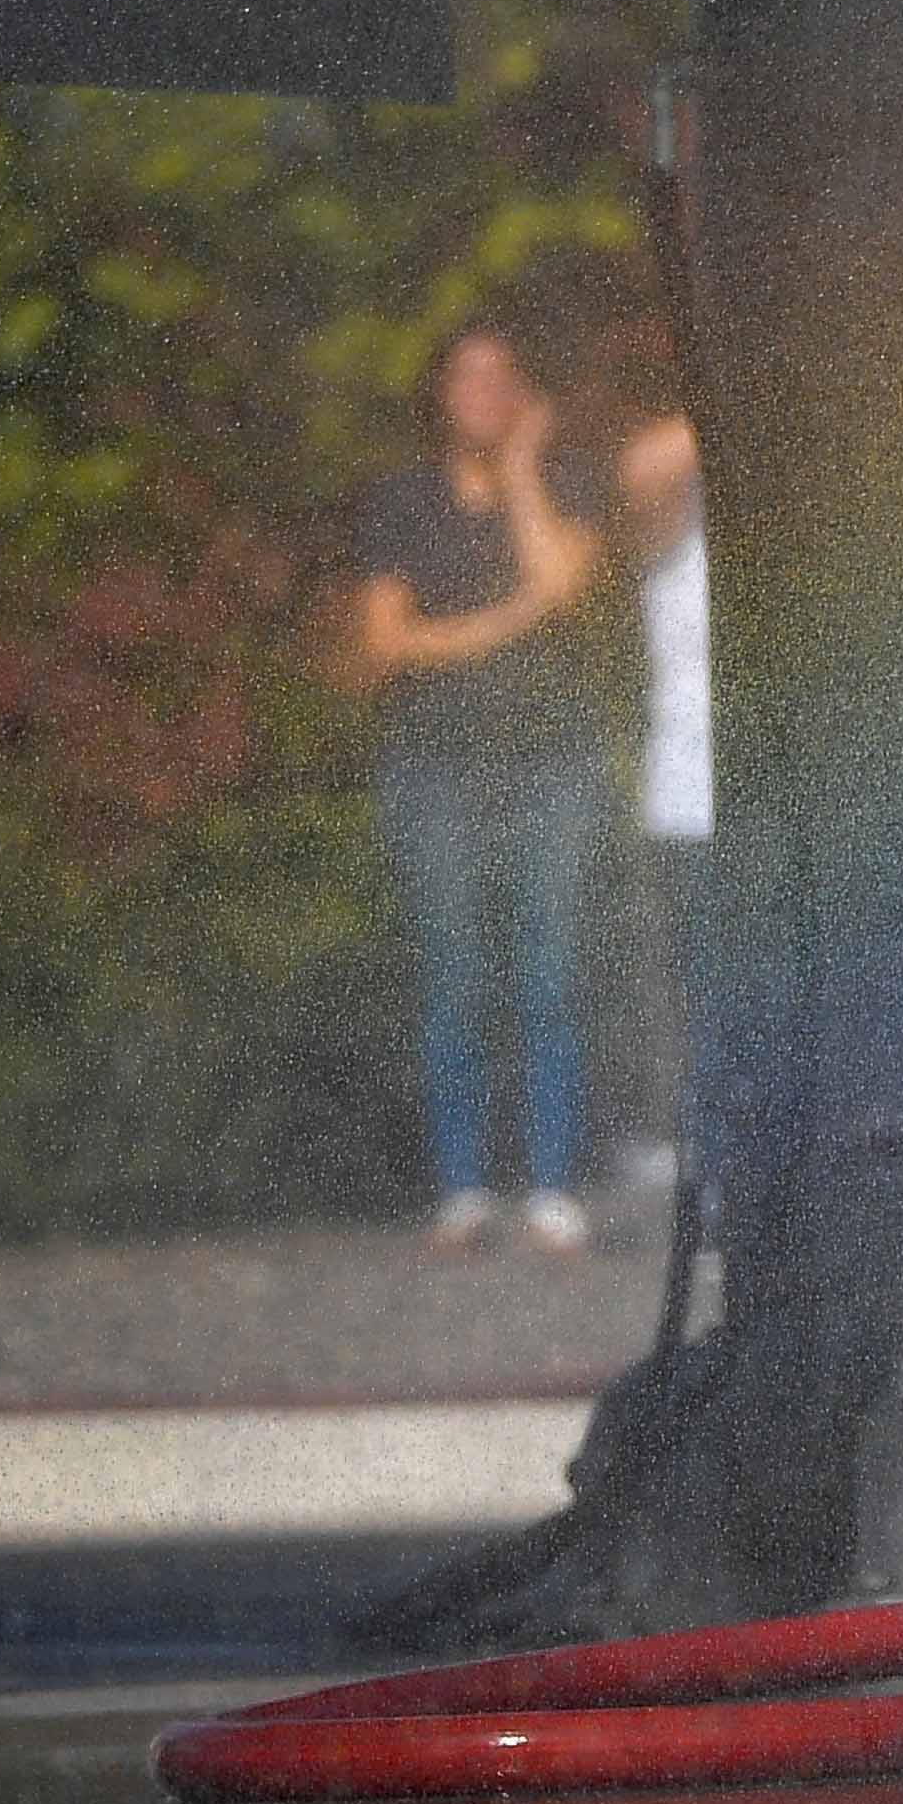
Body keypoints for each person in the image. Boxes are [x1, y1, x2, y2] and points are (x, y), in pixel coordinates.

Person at [348, 321, 622, 1255]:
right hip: (434, 768)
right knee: (454, 977)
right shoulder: (402, 501)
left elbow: (564, 587)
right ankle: (463, 1190)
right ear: (439, 392)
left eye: (503, 376)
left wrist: (519, 474)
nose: (483, 390)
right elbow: (384, 643)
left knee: (551, 973)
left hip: (553, 762)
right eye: (466, 374)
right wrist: (504, 622)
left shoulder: (568, 483)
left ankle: (552, 1188)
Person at [616, 410, 721, 1204]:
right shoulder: (671, 531)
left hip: (776, 807)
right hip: (685, 797)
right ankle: (686, 1139)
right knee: (684, 983)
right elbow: (647, 467)